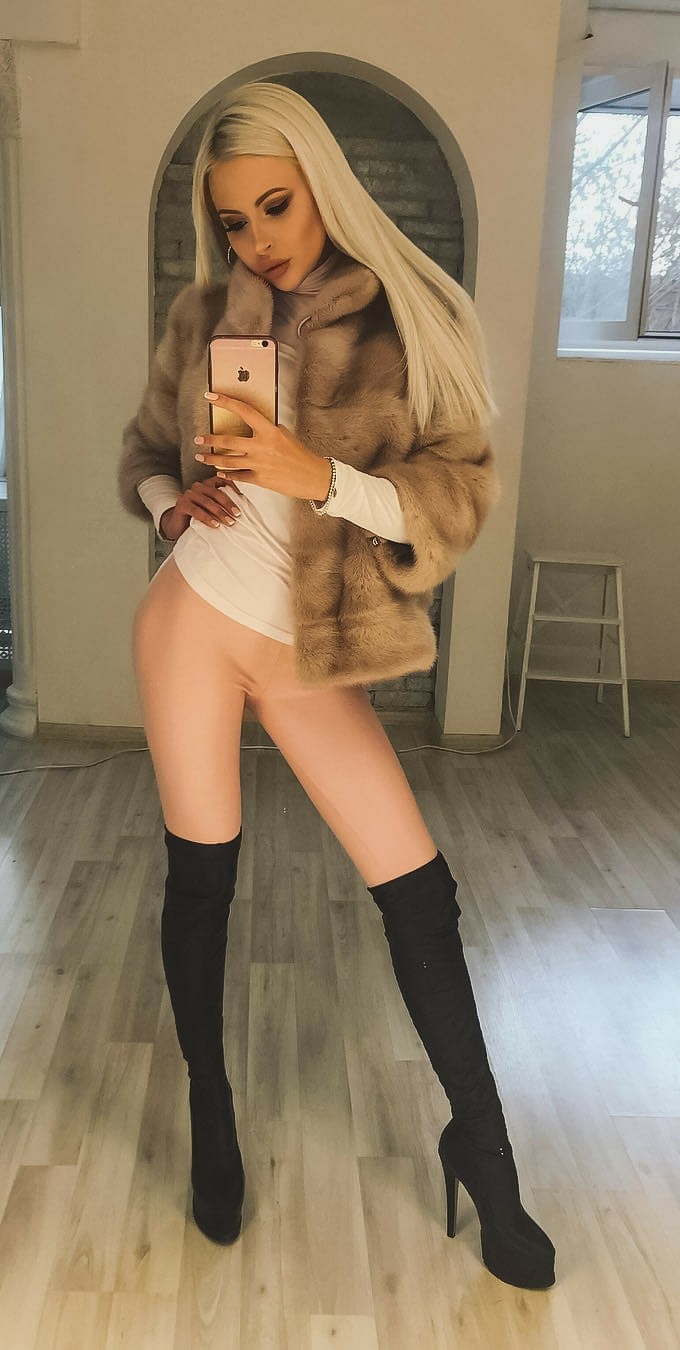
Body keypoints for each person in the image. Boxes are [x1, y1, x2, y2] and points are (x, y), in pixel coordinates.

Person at [117, 80, 555, 1288]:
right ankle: (212, 1112)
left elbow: (452, 498)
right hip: (194, 622)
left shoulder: (411, 319)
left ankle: (483, 1151)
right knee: (203, 881)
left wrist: (312, 472)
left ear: (321, 183)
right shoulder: (207, 315)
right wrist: (169, 503)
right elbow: (146, 451)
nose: (258, 239)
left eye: (276, 205)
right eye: (234, 221)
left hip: (306, 649)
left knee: (418, 894)